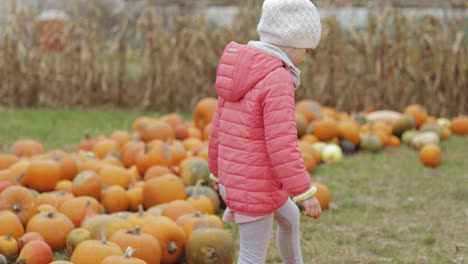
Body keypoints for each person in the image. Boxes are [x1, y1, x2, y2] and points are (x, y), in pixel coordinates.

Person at [208, 0, 322, 263]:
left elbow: (218, 125)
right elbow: (282, 144)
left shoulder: (241, 69)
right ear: (292, 43)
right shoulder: (277, 78)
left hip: (244, 178)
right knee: (251, 254)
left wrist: (216, 171)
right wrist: (304, 191)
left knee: (290, 218)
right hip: (254, 185)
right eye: (307, 49)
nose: (306, 56)